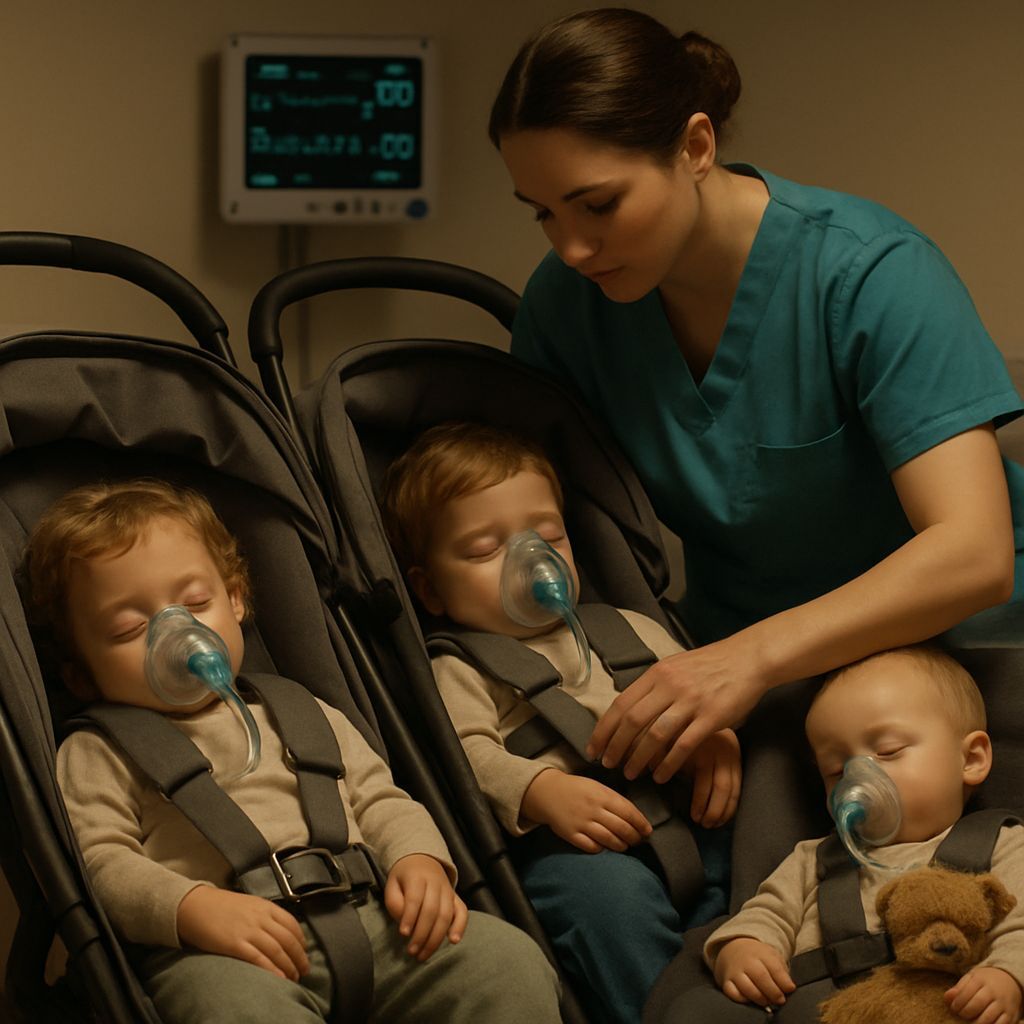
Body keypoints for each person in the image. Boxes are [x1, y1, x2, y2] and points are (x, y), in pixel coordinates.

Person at [489, 7, 1024, 788]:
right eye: (543, 213)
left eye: (598, 205)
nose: (571, 247)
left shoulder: (868, 274)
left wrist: (745, 661)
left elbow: (974, 554)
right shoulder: (568, 307)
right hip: (750, 686)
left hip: (962, 669)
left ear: (696, 147)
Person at [23, 479, 561, 1024]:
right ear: (79, 674)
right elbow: (101, 862)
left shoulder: (302, 711)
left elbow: (379, 799)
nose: (176, 631)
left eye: (196, 602)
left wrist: (417, 858)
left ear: (236, 600)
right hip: (225, 954)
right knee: (228, 1011)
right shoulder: (98, 750)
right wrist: (192, 909)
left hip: (370, 915)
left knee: (505, 961)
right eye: (130, 628)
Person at [380, 420, 742, 1024]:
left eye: (549, 534)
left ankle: (775, 965)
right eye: (483, 550)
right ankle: (663, 1012)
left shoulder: (629, 626)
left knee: (766, 834)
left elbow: (702, 693)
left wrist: (718, 739)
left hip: (687, 813)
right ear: (430, 590)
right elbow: (465, 755)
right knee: (606, 905)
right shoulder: (461, 667)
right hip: (576, 851)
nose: (532, 558)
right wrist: (540, 791)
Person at [685, 645, 1024, 1022]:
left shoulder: (1004, 845)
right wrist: (743, 947)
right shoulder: (815, 859)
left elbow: (1020, 926)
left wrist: (1007, 976)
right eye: (835, 770)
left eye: (888, 751)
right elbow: (768, 912)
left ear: (972, 759)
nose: (857, 779)